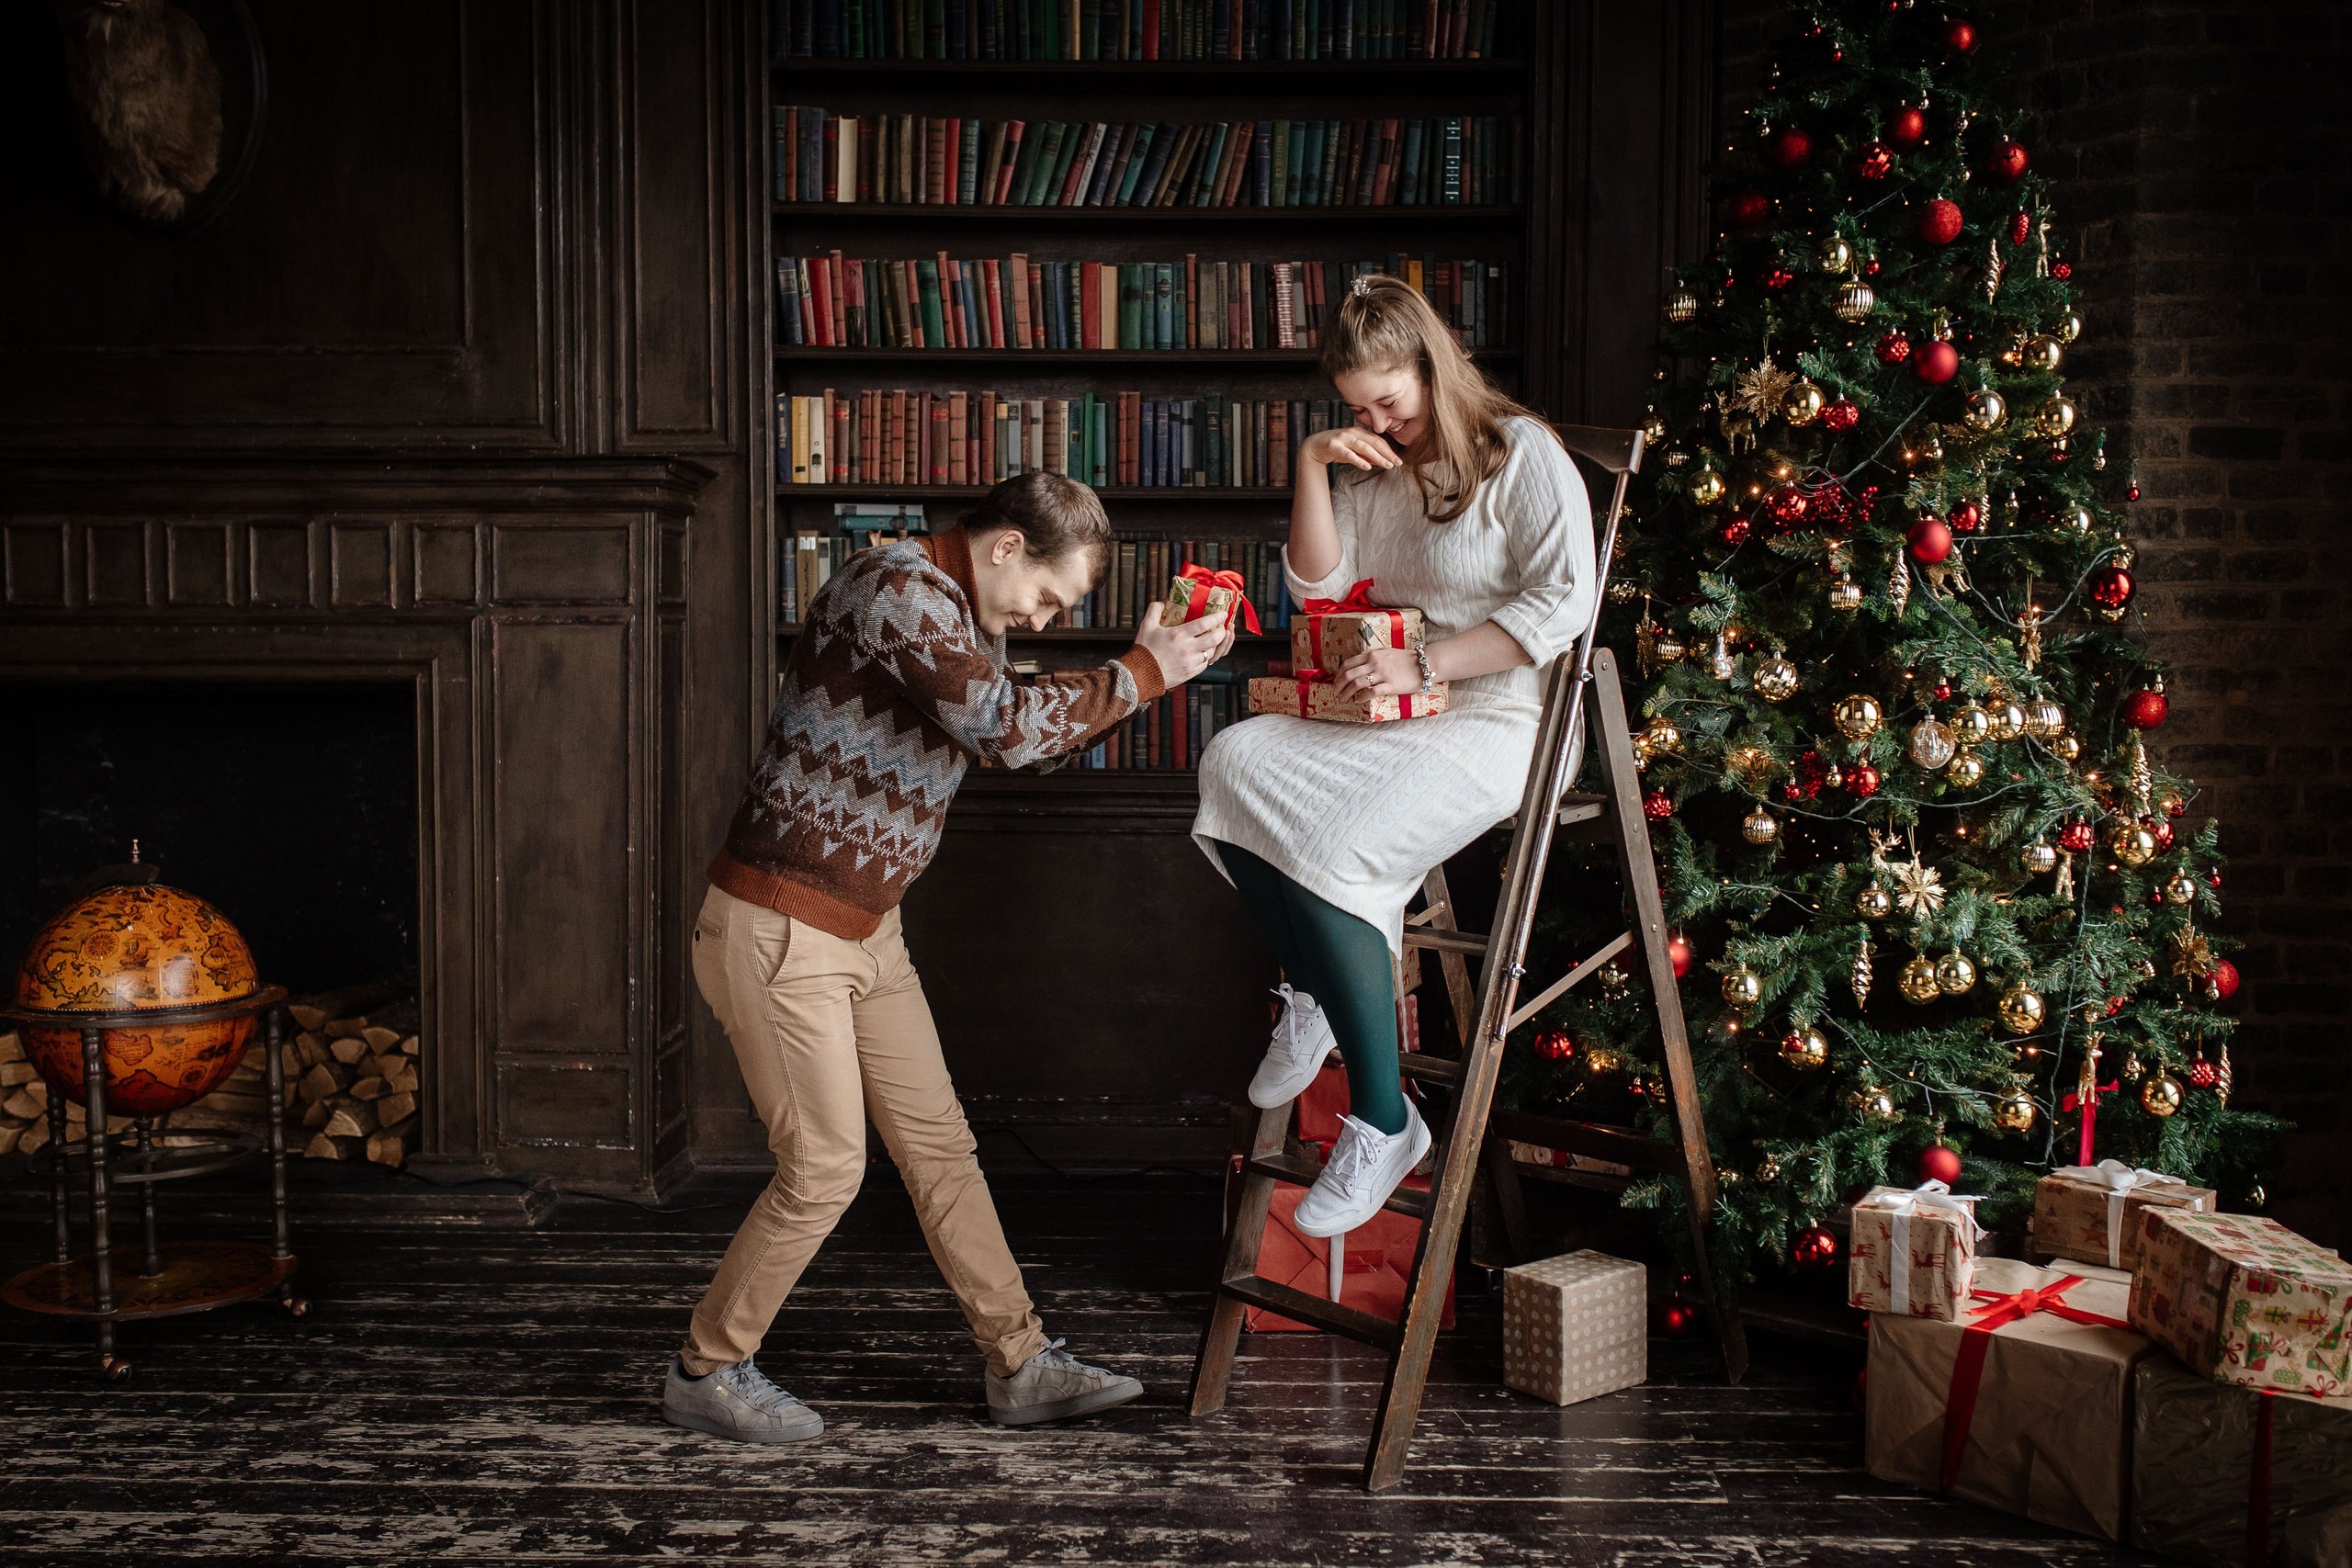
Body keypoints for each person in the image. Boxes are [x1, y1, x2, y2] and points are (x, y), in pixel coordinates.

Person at [665, 471, 1232, 1443]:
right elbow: (1008, 728)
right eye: (1049, 596)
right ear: (1005, 545)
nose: (1045, 618)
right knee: (825, 1169)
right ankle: (705, 1370)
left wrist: (1146, 665)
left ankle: (1019, 1363)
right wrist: (1140, 671)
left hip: (865, 928)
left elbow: (1020, 730)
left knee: (940, 1150)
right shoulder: (893, 591)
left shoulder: (968, 614)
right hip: (782, 925)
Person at [1193, 273, 1596, 1236]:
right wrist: (1314, 464)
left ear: (1432, 366)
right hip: (1396, 707)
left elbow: (1563, 602)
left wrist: (1428, 660)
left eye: (1388, 399)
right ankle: (1315, 989)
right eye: (1355, 406)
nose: (1376, 418)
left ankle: (1383, 1118)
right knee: (1233, 761)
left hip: (1503, 715)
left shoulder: (1519, 452)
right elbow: (1318, 588)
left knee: (1338, 842)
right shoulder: (1375, 469)